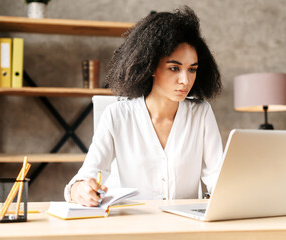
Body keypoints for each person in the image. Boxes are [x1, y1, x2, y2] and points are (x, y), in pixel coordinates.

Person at [64, 6, 223, 207]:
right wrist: (80, 189)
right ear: (151, 67)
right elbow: (85, 177)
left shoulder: (201, 113)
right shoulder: (117, 115)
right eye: (174, 68)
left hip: (184, 227)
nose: (185, 80)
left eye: (192, 70)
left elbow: (216, 174)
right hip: (132, 226)